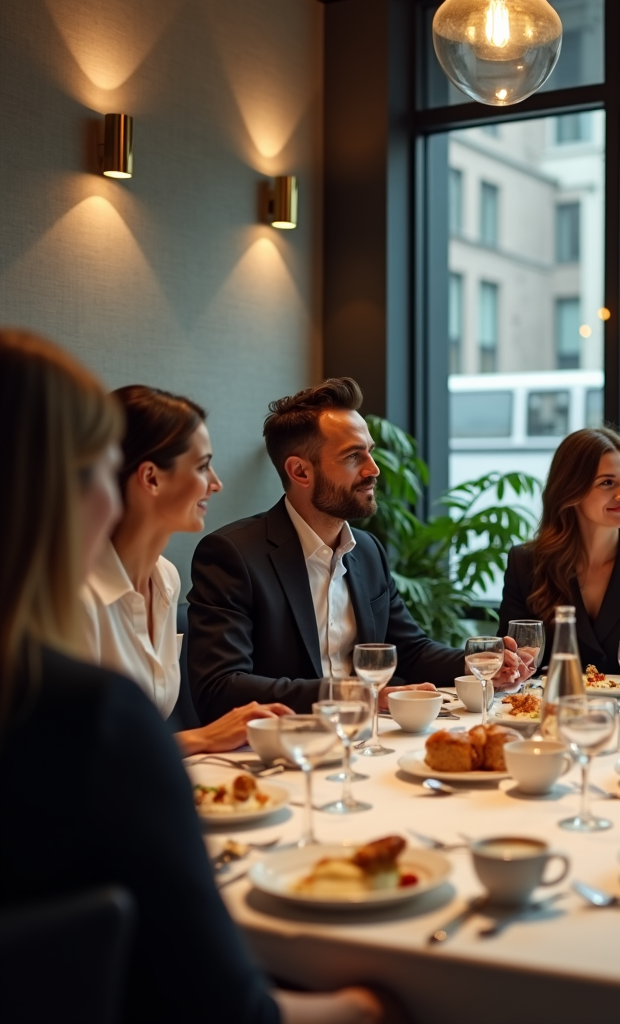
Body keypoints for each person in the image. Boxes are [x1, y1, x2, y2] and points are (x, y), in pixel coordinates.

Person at [0, 329, 393, 1024]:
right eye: (95, 470)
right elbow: (227, 1002)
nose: (216, 484)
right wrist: (368, 1007)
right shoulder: (82, 706)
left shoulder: (164, 580)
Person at [188, 377, 530, 722]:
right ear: (300, 471)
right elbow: (221, 687)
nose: (374, 469)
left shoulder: (366, 551)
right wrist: (357, 695)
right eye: (353, 456)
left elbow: (409, 650)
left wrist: (481, 663)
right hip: (281, 747)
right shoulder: (234, 555)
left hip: (366, 739)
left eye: (370, 451)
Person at [81, 385, 294, 756]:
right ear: (151, 478)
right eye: (201, 466)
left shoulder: (164, 578)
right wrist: (202, 738)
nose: (215, 483)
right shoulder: (75, 595)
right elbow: (62, 754)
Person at [499, 427, 620, 679]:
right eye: (607, 482)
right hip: (551, 711)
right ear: (571, 490)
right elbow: (510, 663)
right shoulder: (525, 562)